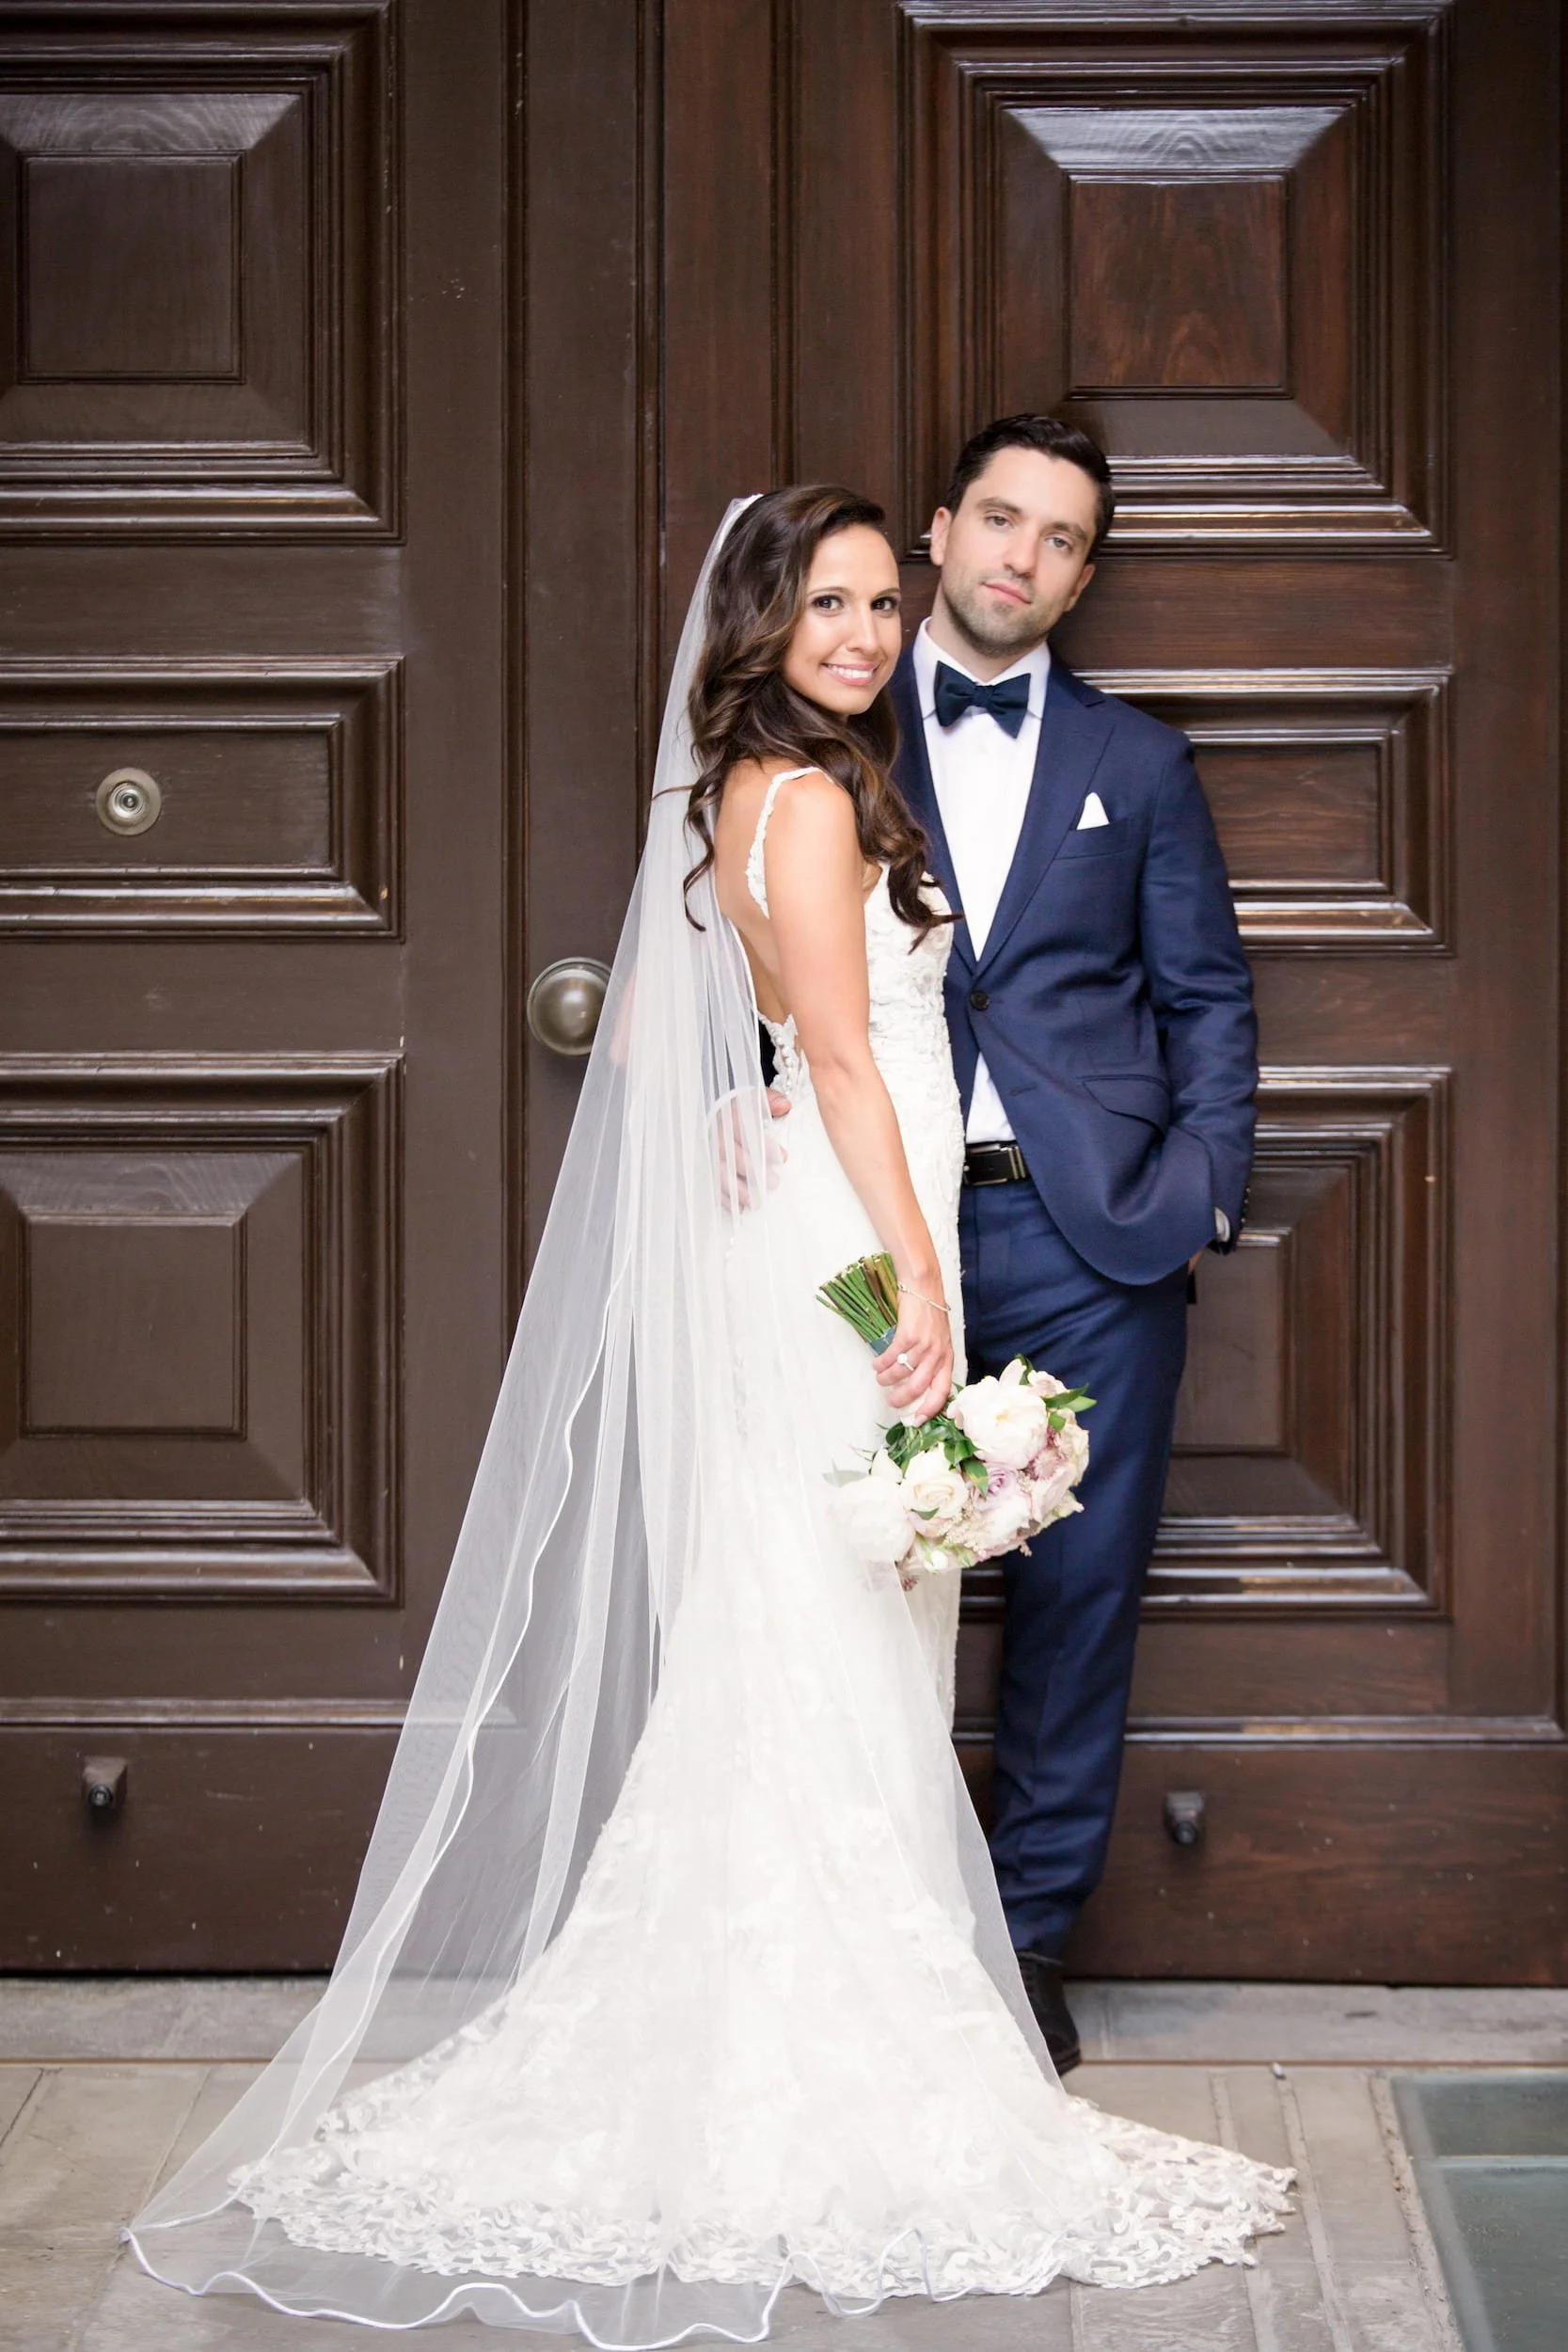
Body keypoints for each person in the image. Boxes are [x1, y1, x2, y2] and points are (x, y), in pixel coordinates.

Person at [128, 488, 1287, 2344]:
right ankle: (832, 2029)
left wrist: (836, 1173)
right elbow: (836, 1049)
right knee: (838, 1611)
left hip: (820, 1218)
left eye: (870, 601)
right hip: (857, 1231)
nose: (856, 629)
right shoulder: (815, 793)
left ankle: (788, 1989)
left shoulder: (753, 786)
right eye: (821, 602)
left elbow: (789, 1032)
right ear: (757, 620)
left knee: (811, 1606)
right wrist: (916, 1270)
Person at [884, 414, 1259, 2072]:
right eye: (997, 520)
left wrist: (1200, 1190)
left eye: (1056, 539)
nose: (1019, 559)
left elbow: (1205, 997)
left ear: (1082, 573)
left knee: (1075, 1600)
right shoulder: (827, 728)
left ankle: (1028, 1943)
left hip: (1084, 1240)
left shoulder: (1137, 762)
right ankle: (870, 1929)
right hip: (868, 1240)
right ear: (938, 528)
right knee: (857, 1581)